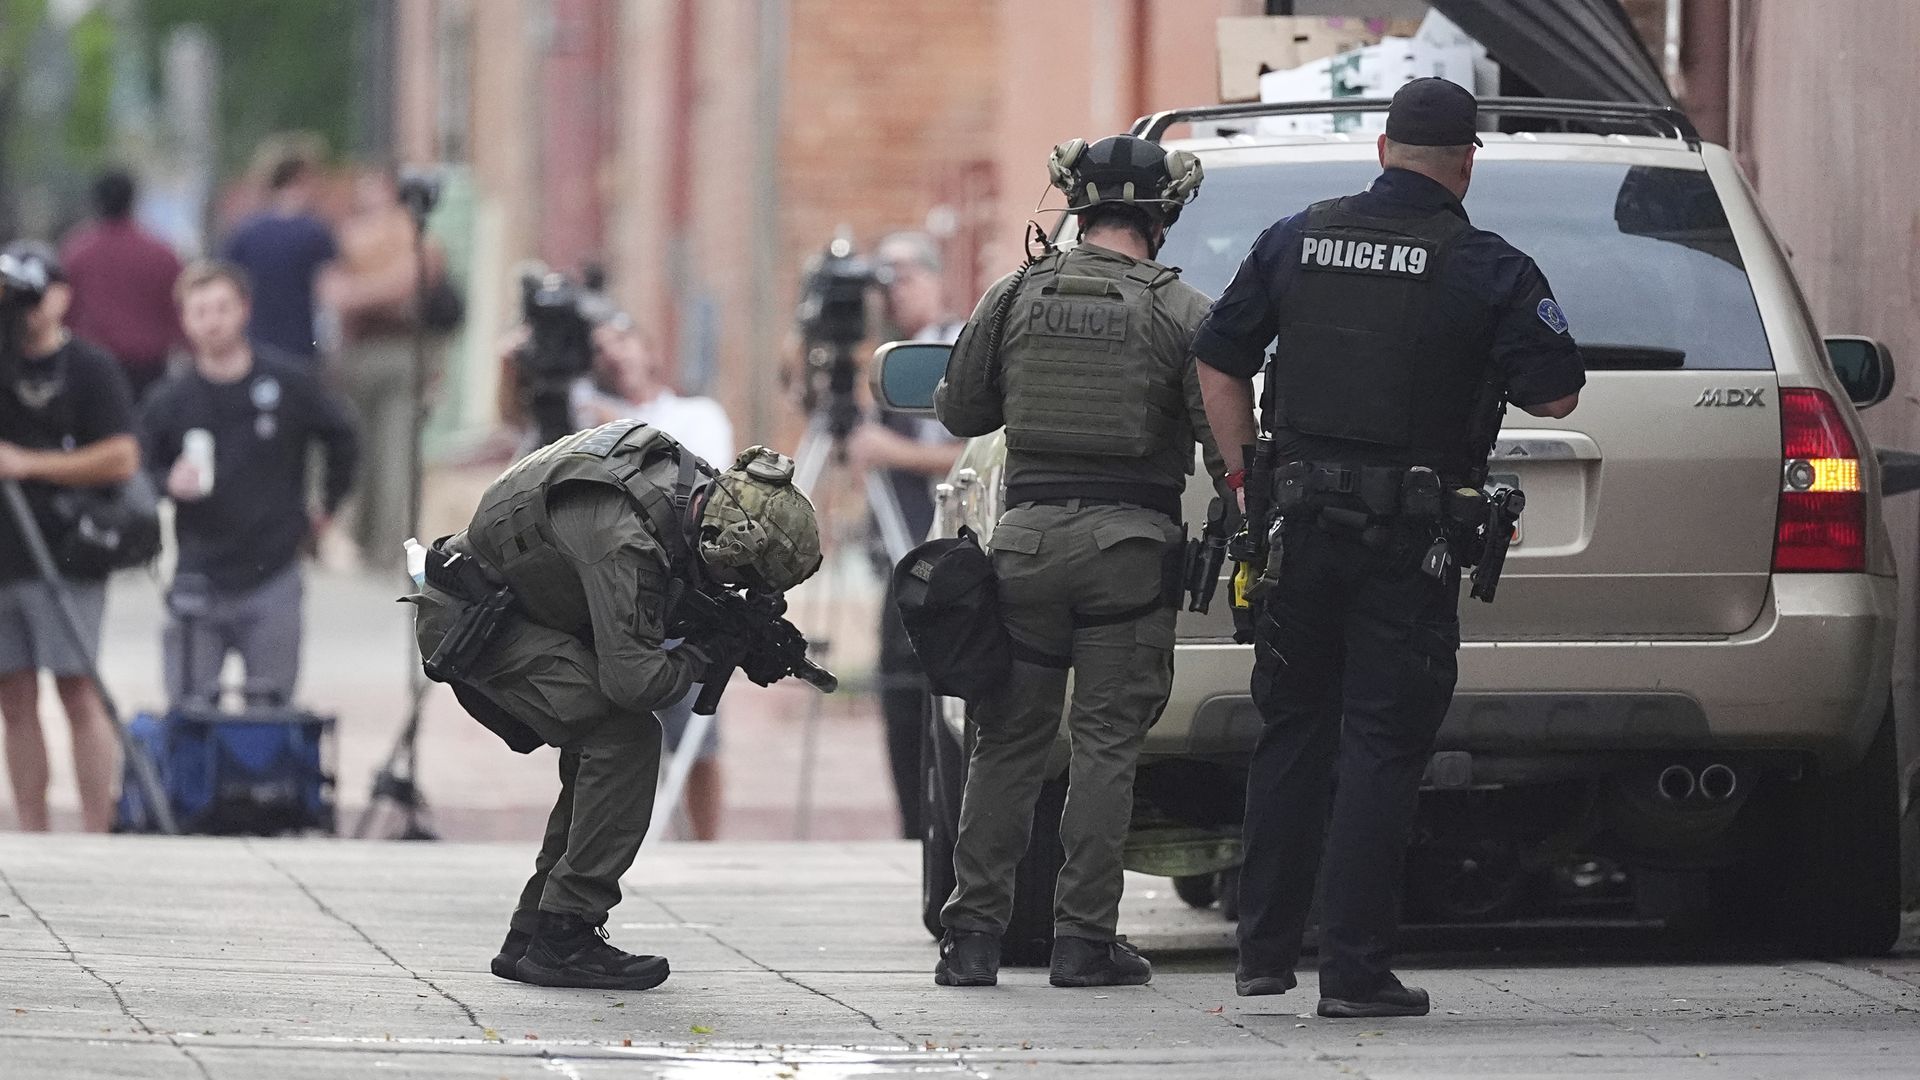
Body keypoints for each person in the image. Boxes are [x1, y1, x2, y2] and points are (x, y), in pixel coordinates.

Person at [1191, 79, 1585, 1018]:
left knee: (1291, 727)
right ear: (1465, 165)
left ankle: (1263, 953)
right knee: (1379, 742)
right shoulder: (1489, 265)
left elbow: (1218, 357)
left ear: (1381, 151)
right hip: (1408, 545)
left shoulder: (1295, 238)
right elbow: (1557, 396)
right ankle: (1356, 972)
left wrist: (1246, 483)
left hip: (1295, 531)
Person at [931, 135, 1221, 989]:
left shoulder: (1015, 293)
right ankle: (1082, 942)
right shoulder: (1181, 309)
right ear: (1160, 213)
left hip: (1023, 546)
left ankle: (972, 940)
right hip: (1129, 551)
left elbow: (959, 410)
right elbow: (1221, 439)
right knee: (1104, 747)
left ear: (1077, 206)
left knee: (1007, 744)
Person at [409, 422, 821, 990]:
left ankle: (536, 931)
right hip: (474, 623)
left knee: (602, 741)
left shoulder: (691, 490)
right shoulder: (625, 537)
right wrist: (703, 654)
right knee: (624, 737)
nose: (736, 588)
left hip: (513, 607)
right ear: (733, 541)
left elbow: (669, 588)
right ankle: (566, 933)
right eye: (741, 579)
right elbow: (636, 680)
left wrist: (732, 626)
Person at [138, 261, 359, 708]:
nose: (212, 321)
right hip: (198, 573)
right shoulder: (170, 399)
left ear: (244, 310)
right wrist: (166, 482)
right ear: (184, 319)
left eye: (222, 308)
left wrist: (327, 507)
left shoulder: (287, 381)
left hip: (273, 571)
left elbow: (343, 435)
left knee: (272, 715)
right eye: (200, 311)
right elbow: (136, 467)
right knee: (189, 712)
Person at [572, 319, 735, 841]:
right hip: (613, 590)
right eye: (601, 347)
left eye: (623, 339)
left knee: (696, 732)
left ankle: (707, 846)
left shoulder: (696, 413)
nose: (614, 354)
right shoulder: (580, 418)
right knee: (613, 730)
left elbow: (702, 474)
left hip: (682, 586)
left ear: (650, 349)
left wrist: (613, 424)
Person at [0, 242, 139, 832]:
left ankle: (94, 827)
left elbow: (121, 457)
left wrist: (28, 465)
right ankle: (30, 825)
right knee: (13, 695)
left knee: (76, 690)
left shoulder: (90, 368)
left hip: (67, 551)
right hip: (5, 554)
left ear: (61, 295)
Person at [845, 231, 964, 840]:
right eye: (885, 282)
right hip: (895, 556)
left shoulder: (954, 348)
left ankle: (942, 825)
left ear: (938, 279)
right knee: (896, 689)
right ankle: (911, 828)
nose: (895, 293)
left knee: (934, 688)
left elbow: (974, 454)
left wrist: (888, 450)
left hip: (939, 552)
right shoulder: (881, 356)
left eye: (907, 277)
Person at [319, 166, 447, 570]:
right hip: (380, 350)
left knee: (391, 451)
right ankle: (377, 541)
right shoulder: (399, 235)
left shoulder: (372, 236)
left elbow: (345, 291)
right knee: (376, 450)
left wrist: (357, 295)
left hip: (395, 348)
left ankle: (387, 542)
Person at [60, 169, 186, 401]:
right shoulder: (161, 253)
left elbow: (65, 311)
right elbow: (177, 310)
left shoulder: (77, 252)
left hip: (92, 367)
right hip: (148, 369)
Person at [222, 152, 338, 361]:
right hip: (302, 346)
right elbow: (329, 294)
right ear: (301, 178)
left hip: (254, 344)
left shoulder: (244, 232)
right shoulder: (314, 232)